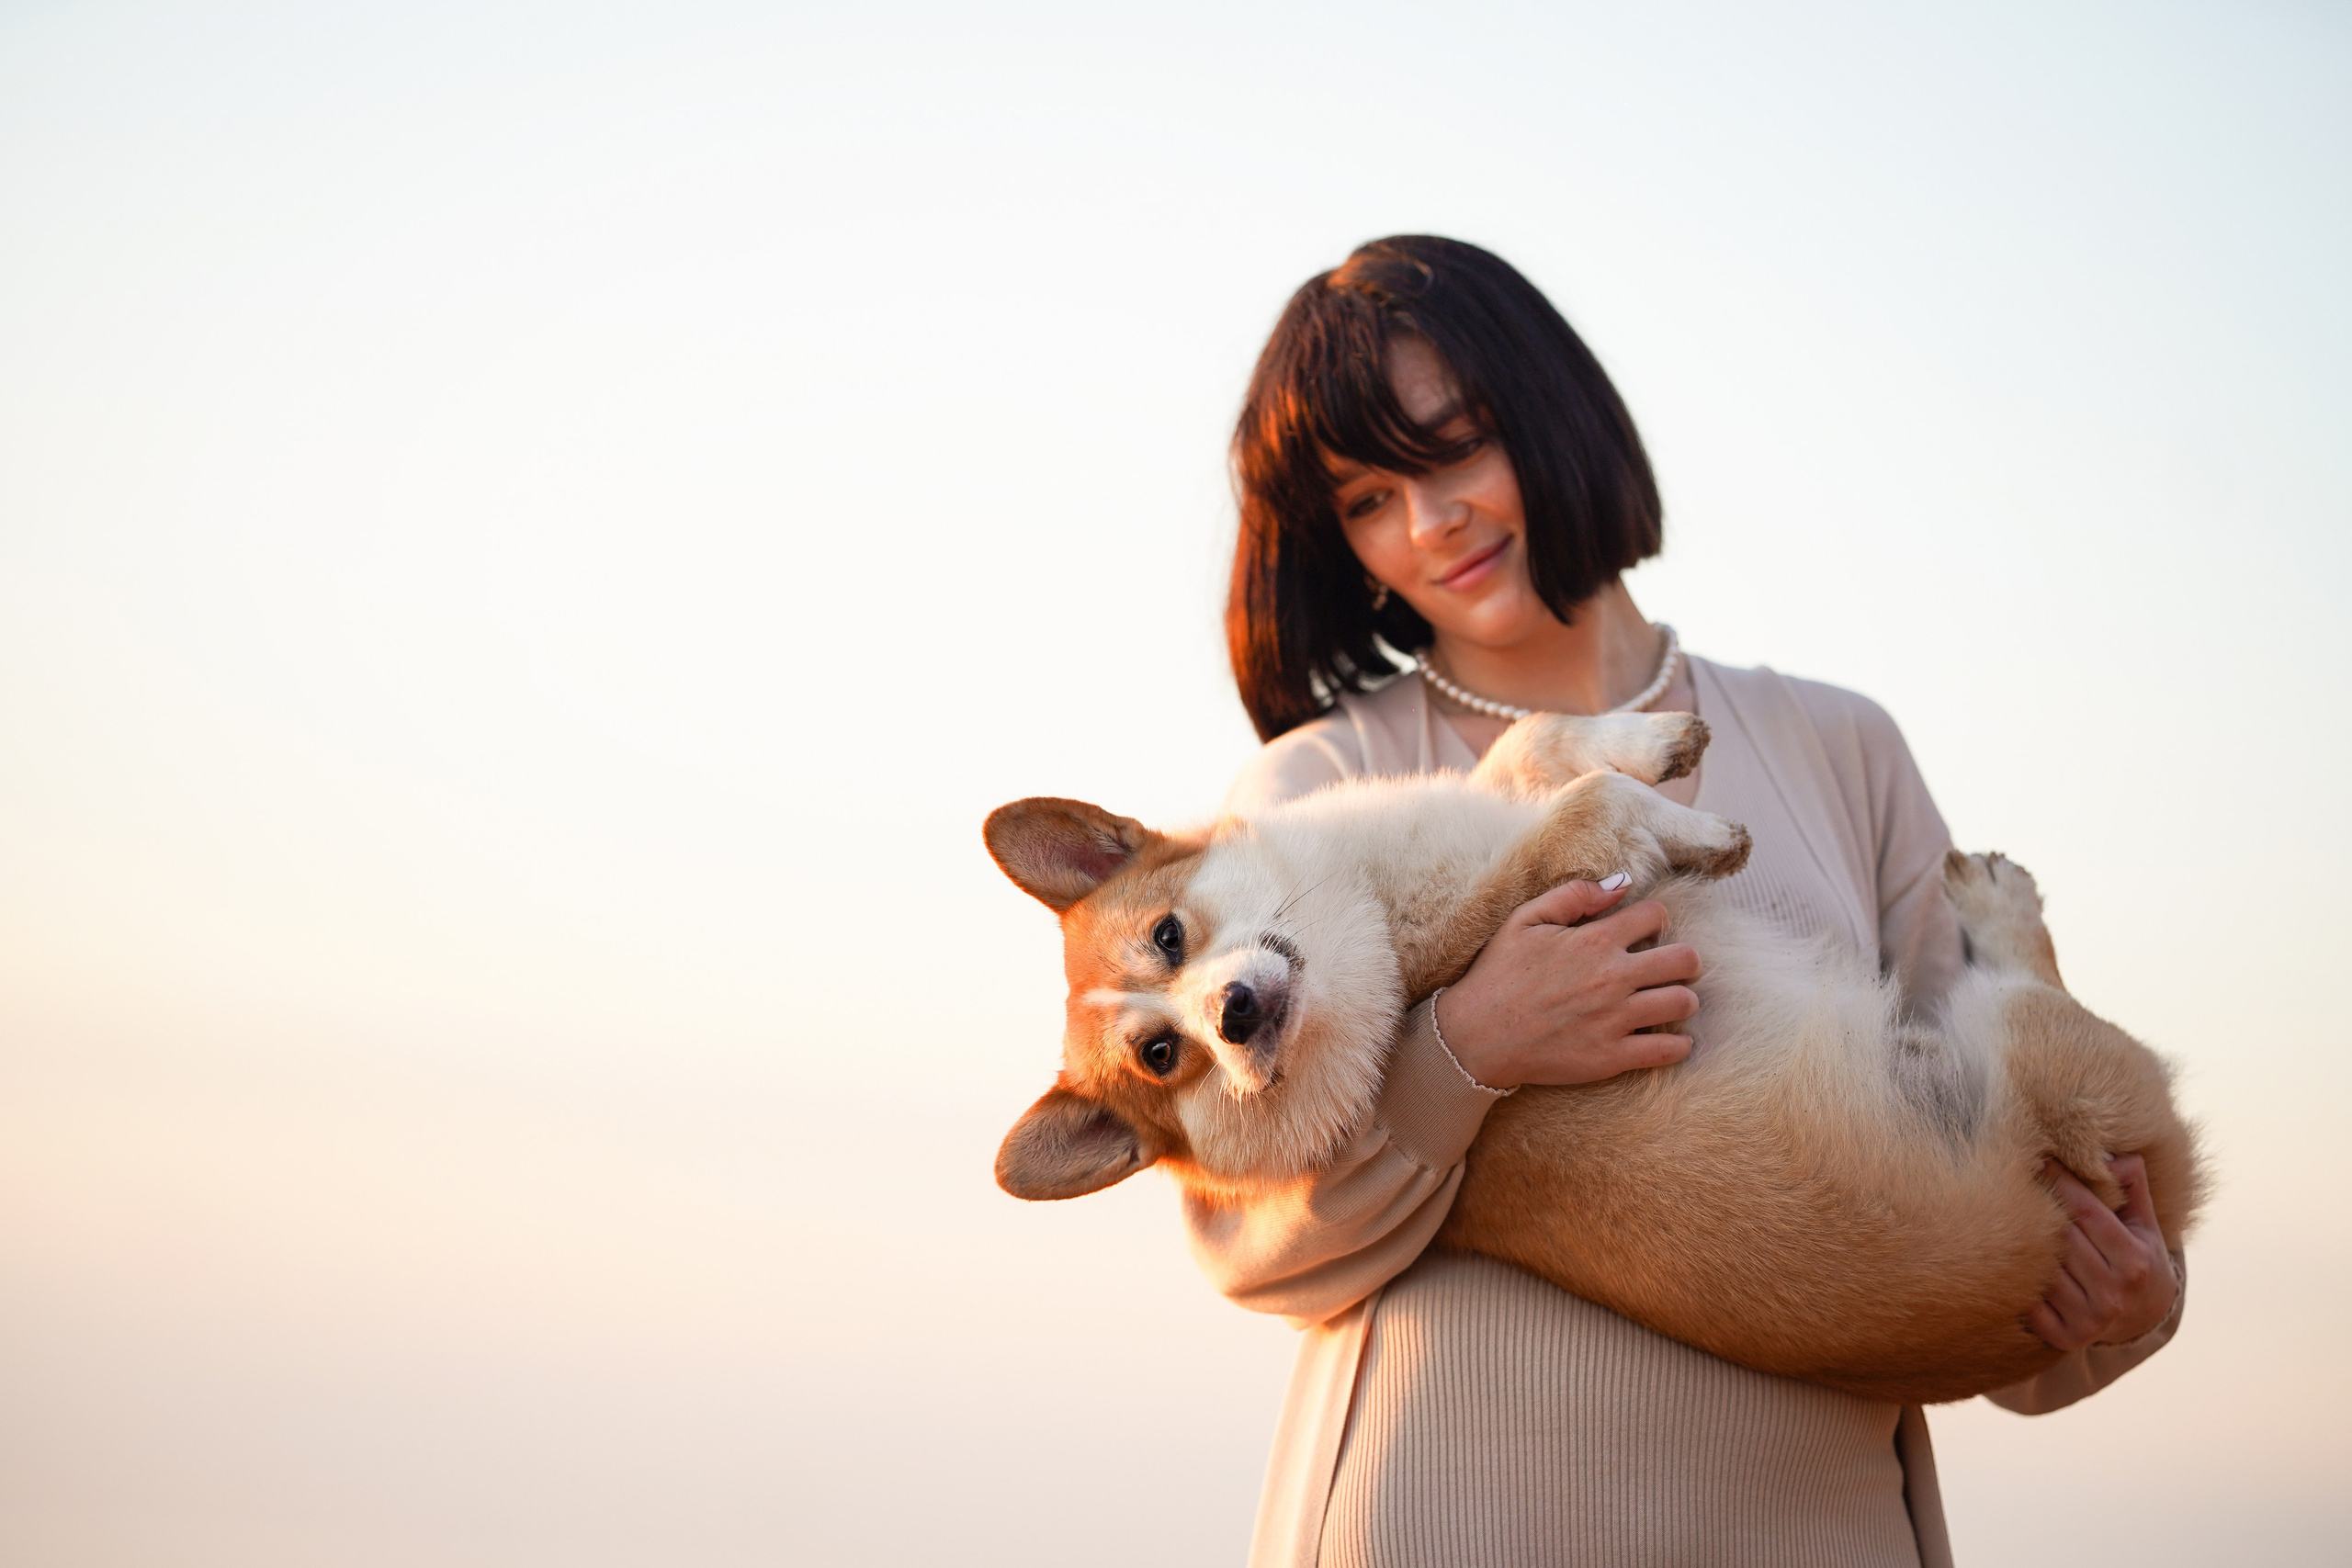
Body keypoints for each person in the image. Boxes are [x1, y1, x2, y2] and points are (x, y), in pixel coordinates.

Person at [1198, 235, 2184, 1568]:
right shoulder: (1324, 782)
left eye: (1459, 447)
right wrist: (1469, 1051)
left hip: (1818, 1526)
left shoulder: (1840, 746)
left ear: (1554, 420)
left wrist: (2126, 1298)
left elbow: (2019, 1169)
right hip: (1445, 1513)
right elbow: (1244, 1235)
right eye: (1371, 497)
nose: (1429, 521)